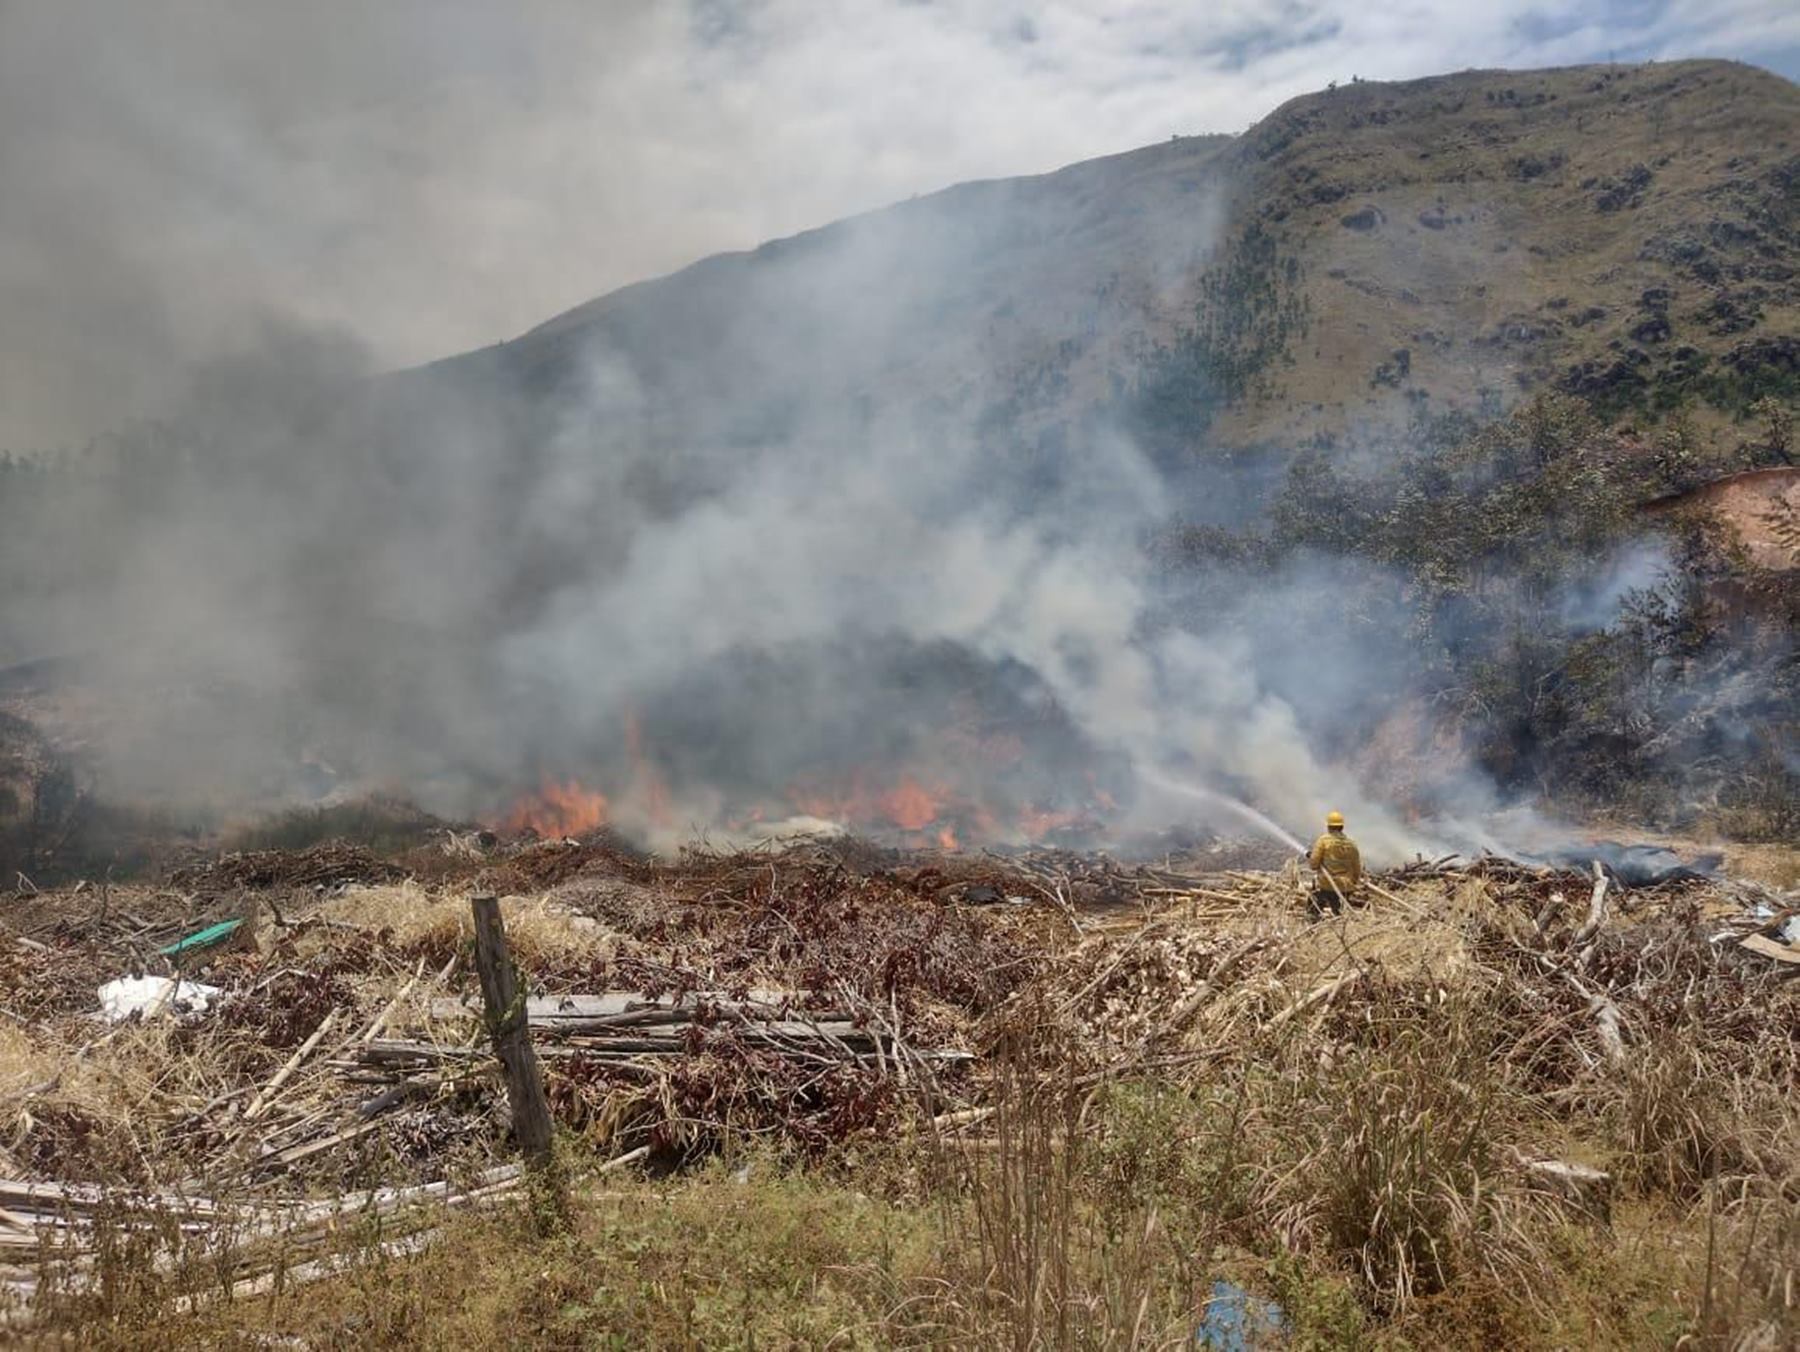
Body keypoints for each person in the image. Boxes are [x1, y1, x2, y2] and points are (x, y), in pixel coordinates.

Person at [1306, 810, 1361, 915]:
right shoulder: (1351, 844)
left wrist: (1312, 858)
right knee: (1340, 911)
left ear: (1328, 826)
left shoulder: (1323, 841)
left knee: (1313, 904)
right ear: (1342, 827)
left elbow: (1314, 865)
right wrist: (1353, 882)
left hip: (1328, 885)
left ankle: (1313, 923)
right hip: (1346, 887)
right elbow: (1357, 868)